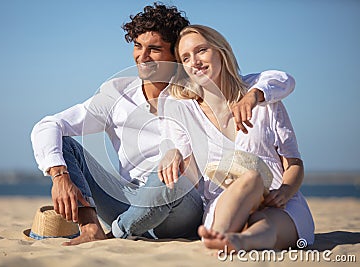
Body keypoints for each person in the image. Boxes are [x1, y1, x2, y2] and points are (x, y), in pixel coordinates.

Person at [31, 3, 296, 246]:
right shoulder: (115, 94)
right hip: (126, 198)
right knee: (66, 147)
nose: (142, 57)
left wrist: (254, 95)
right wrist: (59, 175)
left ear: (175, 56)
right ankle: (92, 229)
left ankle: (118, 234)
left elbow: (271, 78)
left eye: (154, 49)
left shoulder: (196, 91)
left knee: (165, 180)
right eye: (137, 46)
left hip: (180, 204)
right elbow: (49, 125)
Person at [158, 24, 314, 252]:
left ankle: (240, 241)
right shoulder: (184, 110)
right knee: (250, 178)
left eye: (201, 50)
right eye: (186, 57)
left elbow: (294, 164)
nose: (195, 61)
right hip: (224, 203)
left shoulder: (264, 98)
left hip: (279, 202)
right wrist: (172, 151)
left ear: (221, 51)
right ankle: (220, 235)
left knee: (265, 222)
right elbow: (190, 177)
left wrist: (285, 192)